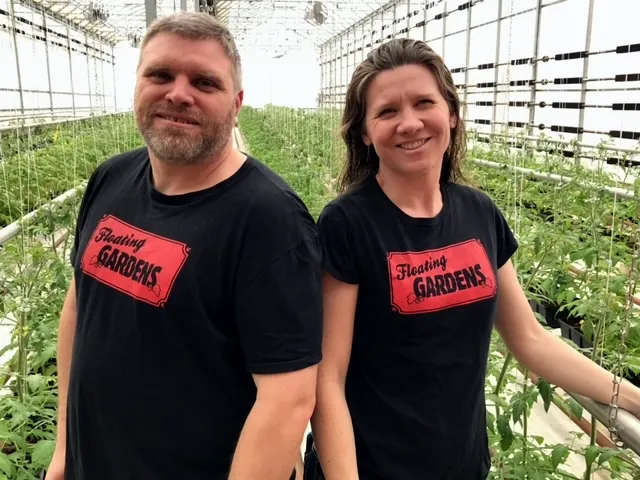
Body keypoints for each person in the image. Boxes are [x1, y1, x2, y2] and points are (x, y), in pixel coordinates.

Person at [309, 38, 640, 479]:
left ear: (450, 113)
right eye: (387, 111)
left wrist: (631, 397)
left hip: (462, 465)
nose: (409, 123)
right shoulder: (348, 223)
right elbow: (327, 377)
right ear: (365, 132)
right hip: (374, 468)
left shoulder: (479, 213)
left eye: (423, 102)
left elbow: (530, 339)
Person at [45, 12, 322, 480]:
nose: (178, 93)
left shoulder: (270, 219)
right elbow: (81, 304)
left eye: (204, 82)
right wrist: (63, 452)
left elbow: (288, 400)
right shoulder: (111, 178)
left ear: (237, 105)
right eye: (159, 74)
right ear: (136, 85)